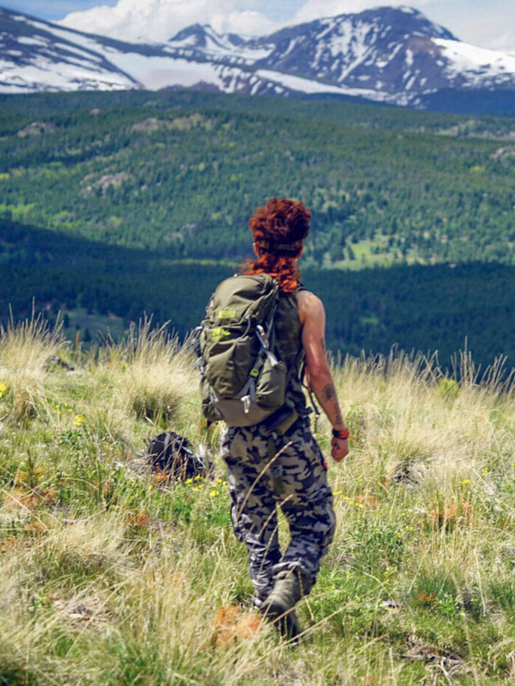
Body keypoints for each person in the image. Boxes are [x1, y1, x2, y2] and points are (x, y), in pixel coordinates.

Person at [220, 198, 351, 635]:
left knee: (256, 530)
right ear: (299, 247)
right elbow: (318, 373)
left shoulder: (230, 294)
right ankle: (289, 584)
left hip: (235, 431)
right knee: (315, 520)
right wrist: (338, 428)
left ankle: (279, 626)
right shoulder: (304, 303)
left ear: (257, 242)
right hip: (286, 434)